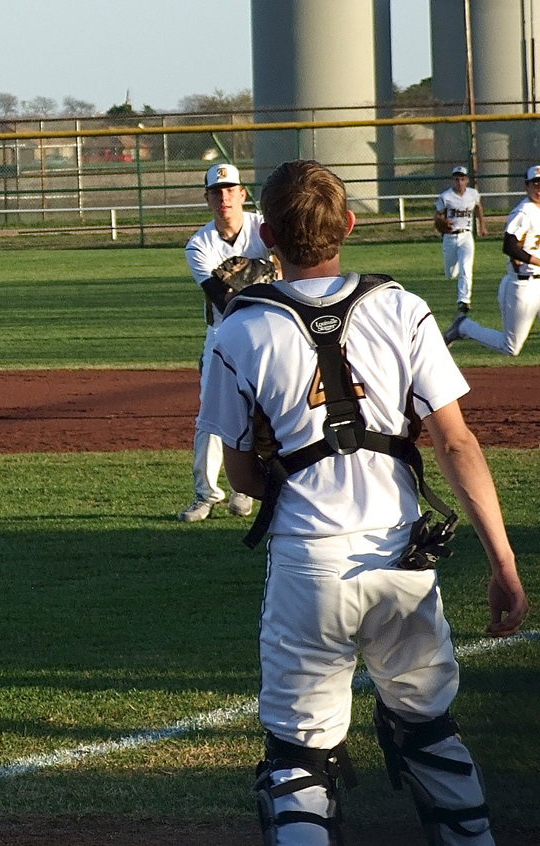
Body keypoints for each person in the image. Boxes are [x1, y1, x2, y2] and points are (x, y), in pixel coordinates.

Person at [197, 160, 528, 845]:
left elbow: (246, 482)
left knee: (298, 762)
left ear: (264, 234)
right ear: (348, 225)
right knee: (431, 733)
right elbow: (457, 445)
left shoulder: (236, 332)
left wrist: (275, 456)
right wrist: (503, 560)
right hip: (402, 557)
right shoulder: (403, 308)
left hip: (309, 563)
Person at [179, 162, 271, 522]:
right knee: (211, 415)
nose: (224, 197)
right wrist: (264, 279)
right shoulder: (198, 245)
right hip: (223, 331)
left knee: (263, 412)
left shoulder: (264, 228)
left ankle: (244, 488)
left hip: (269, 330)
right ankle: (205, 494)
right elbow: (223, 298)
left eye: (230, 190)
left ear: (242, 194)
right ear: (207, 198)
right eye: (216, 192)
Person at [445, 165, 540, 355]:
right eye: (535, 184)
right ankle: (464, 326)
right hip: (522, 286)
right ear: (527, 186)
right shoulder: (523, 212)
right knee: (511, 347)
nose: (539, 189)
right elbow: (509, 246)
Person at [435, 165, 488, 313]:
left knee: (466, 268)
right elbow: (437, 215)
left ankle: (464, 301)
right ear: (453, 180)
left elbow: (478, 207)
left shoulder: (473, 194)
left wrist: (482, 226)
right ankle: (455, 265)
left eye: (462, 179)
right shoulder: (446, 197)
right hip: (450, 237)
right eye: (457, 179)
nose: (459, 182)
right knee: (450, 273)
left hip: (466, 235)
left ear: (467, 180)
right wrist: (443, 222)